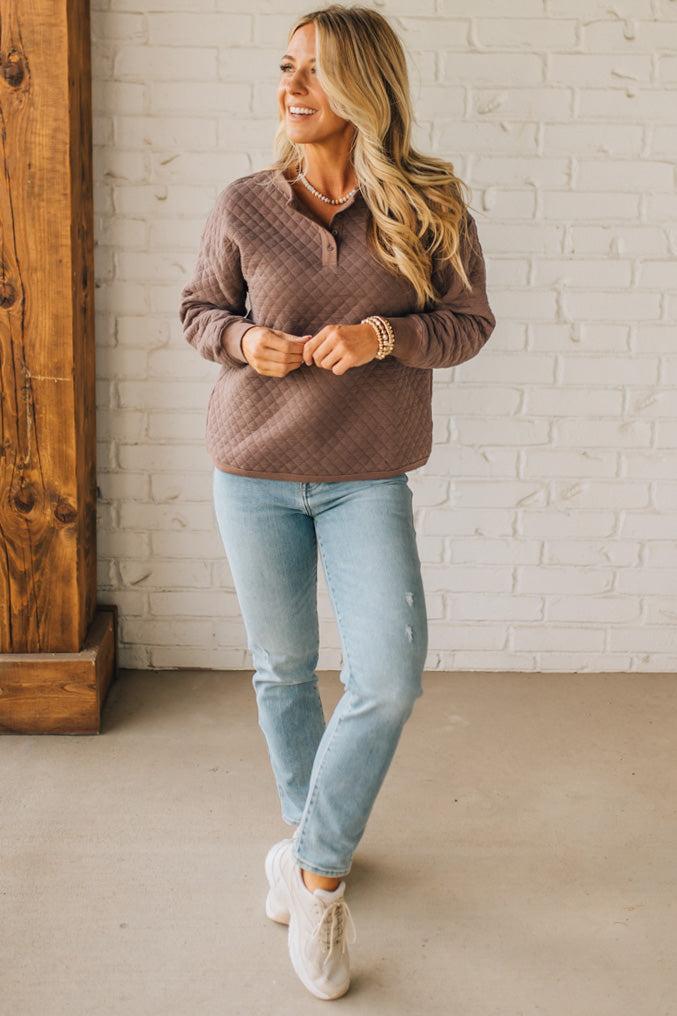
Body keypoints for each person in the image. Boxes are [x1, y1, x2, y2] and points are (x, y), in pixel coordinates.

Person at [178, 3, 496, 1001]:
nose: (290, 87)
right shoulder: (243, 204)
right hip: (253, 469)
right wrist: (243, 344)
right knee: (280, 669)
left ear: (364, 84)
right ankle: (310, 842)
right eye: (285, 68)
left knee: (387, 676)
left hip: (366, 472)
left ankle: (313, 875)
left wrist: (384, 338)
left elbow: (466, 323)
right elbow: (197, 310)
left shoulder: (428, 202)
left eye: (313, 71)